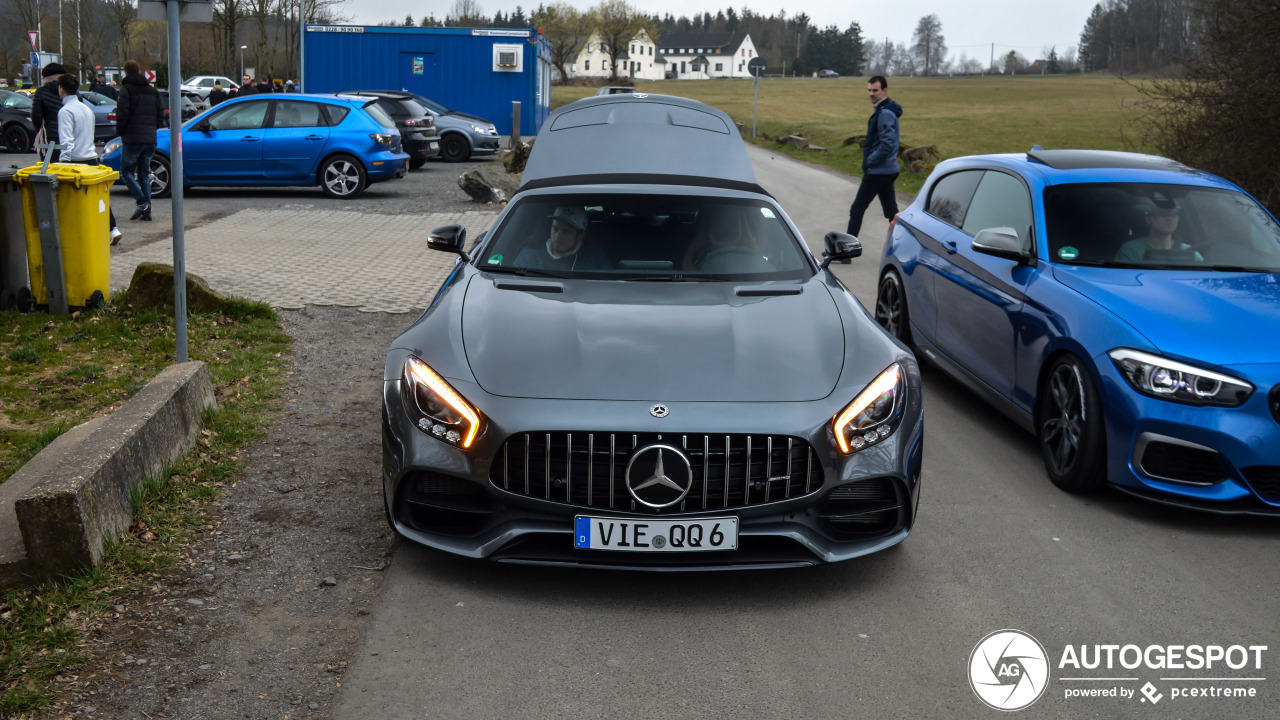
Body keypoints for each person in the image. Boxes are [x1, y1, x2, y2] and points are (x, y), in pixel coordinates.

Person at [56, 74, 121, 244]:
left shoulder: (65, 111)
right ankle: (112, 229)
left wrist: (62, 164)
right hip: (91, 158)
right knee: (99, 197)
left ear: (62, 89)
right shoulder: (86, 109)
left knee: (75, 202)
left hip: (74, 162)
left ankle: (81, 233)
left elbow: (66, 142)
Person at [846, 75, 904, 243]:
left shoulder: (885, 113)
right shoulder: (883, 110)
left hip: (879, 171)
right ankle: (899, 246)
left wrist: (870, 161)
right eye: (869, 90)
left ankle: (846, 251)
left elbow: (887, 144)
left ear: (884, 91)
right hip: (888, 170)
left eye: (875, 90)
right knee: (892, 212)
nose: (871, 94)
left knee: (857, 209)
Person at [116, 60, 165, 228]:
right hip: (150, 138)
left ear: (125, 72)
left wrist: (121, 131)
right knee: (144, 173)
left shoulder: (126, 90)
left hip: (133, 138)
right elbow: (161, 114)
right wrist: (152, 129)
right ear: (140, 71)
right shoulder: (152, 91)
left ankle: (142, 201)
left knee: (126, 171)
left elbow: (122, 113)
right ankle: (148, 212)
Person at [514, 207, 609, 271]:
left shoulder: (594, 258)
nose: (558, 236)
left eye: (566, 232)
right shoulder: (529, 257)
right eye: (555, 229)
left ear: (580, 235)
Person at [1115, 197, 1202, 263]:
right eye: (1163, 214)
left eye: (1174, 215)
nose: (1169, 219)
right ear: (1149, 219)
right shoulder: (1131, 250)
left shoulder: (1189, 252)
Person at [30, 63, 66, 160]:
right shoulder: (72, 91)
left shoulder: (41, 92)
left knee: (49, 169)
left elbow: (36, 117)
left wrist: (41, 132)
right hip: (71, 138)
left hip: (49, 139)